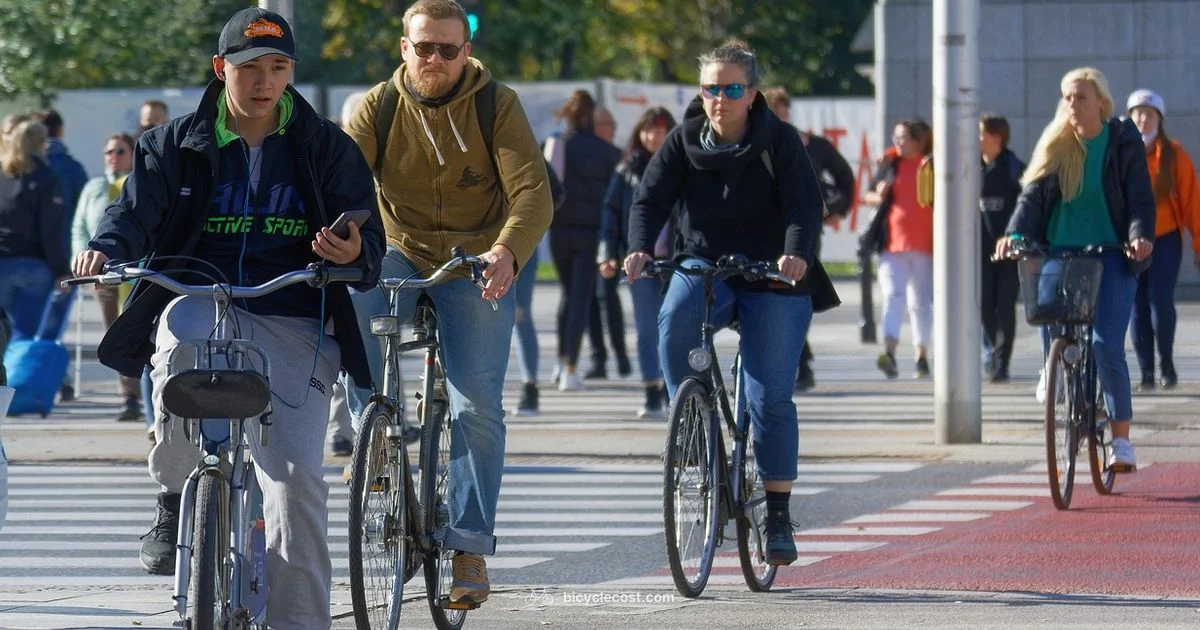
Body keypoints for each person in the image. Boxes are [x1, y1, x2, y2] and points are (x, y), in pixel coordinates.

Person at [71, 8, 385, 627]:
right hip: (196, 299)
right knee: (178, 345)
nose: (264, 82)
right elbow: (134, 215)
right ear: (222, 70)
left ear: (290, 71)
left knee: (297, 488)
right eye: (248, 68)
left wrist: (354, 254)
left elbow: (364, 236)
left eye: (278, 67)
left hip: (293, 312)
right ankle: (175, 488)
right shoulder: (173, 142)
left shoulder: (324, 145)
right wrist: (107, 250)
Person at [341, 0, 552, 606]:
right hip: (400, 247)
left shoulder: (495, 103)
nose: (434, 59)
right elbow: (344, 179)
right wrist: (344, 232)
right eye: (423, 47)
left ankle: (467, 547)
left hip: (475, 256)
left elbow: (532, 190)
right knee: (352, 302)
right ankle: (373, 434)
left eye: (447, 49)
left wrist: (509, 251)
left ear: (466, 52)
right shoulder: (378, 106)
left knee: (476, 404)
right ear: (403, 49)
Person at [624, 38, 835, 566]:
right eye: (711, 88)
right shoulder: (683, 140)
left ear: (752, 93)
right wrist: (639, 248)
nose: (719, 98)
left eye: (731, 88)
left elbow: (805, 205)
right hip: (707, 264)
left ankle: (779, 513)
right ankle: (693, 427)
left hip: (773, 274)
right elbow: (650, 199)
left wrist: (795, 255)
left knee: (769, 400)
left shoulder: (778, 140)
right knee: (672, 317)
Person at [995, 67, 1154, 473]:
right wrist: (1014, 235)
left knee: (1106, 346)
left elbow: (1139, 196)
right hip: (1063, 253)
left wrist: (1139, 236)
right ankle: (1055, 368)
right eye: (1067, 96)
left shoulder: (1121, 142)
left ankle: (1121, 442)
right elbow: (1031, 198)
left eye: (1080, 97)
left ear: (1101, 102)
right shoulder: (1056, 142)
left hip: (1113, 254)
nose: (1072, 104)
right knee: (1046, 308)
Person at [763, 86, 855, 390]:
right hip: (764, 230)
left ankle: (801, 363)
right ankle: (795, 360)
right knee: (768, 298)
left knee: (794, 291)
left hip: (804, 228)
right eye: (773, 109)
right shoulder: (755, 143)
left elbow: (845, 178)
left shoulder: (811, 145)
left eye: (783, 109)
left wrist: (835, 209)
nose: (780, 115)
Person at [599, 106, 677, 417]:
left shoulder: (683, 165)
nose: (654, 137)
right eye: (648, 130)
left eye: (660, 131)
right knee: (646, 329)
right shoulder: (627, 170)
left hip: (676, 262)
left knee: (674, 327)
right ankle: (650, 389)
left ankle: (677, 389)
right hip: (640, 263)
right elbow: (611, 215)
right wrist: (607, 254)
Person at [1124, 89, 1200, 391]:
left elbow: (1192, 200)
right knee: (1136, 305)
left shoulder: (1173, 154)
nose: (1143, 119)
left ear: (1160, 119)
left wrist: (1198, 242)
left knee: (1160, 301)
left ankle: (1166, 364)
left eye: (1149, 113)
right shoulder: (1122, 152)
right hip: (1130, 240)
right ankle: (1146, 372)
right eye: (1137, 113)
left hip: (1165, 238)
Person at [547, 90, 621, 391]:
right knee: (579, 298)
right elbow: (613, 201)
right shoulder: (608, 153)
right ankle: (570, 367)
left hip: (560, 230)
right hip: (591, 233)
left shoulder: (559, 146)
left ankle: (561, 357)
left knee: (567, 297)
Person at [71, 132, 141, 421]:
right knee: (113, 334)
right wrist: (81, 258)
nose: (114, 156)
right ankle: (127, 395)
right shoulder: (94, 187)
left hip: (136, 274)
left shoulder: (139, 184)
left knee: (137, 333)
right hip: (103, 275)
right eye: (108, 151)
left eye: (120, 150)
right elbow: (80, 227)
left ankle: (142, 396)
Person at [862, 118, 934, 379]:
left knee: (920, 303)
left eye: (902, 138)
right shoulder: (891, 164)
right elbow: (868, 195)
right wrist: (879, 194)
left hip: (925, 245)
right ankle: (889, 351)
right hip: (892, 244)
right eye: (895, 138)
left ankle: (921, 356)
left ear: (918, 141)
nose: (896, 143)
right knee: (893, 296)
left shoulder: (931, 164)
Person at [34, 110, 89, 401]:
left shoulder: (18, 167)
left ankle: (32, 381)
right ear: (61, 131)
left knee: (26, 328)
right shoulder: (72, 168)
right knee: (54, 327)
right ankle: (58, 379)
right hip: (64, 257)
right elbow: (82, 216)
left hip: (26, 255)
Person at [0, 121, 68, 341]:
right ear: (40, 144)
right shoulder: (47, 178)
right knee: (24, 334)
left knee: (3, 333)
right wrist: (61, 270)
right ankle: (19, 375)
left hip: (2, 262)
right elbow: (51, 231)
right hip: (34, 264)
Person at [511, 159, 565, 415]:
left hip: (519, 244)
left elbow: (557, 193)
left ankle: (529, 385)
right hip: (477, 244)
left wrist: (532, 227)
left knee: (519, 315)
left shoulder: (526, 150)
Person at [978, 114, 1026, 382]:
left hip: (1008, 252)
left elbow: (1026, 205)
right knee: (984, 305)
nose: (976, 139)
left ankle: (1000, 364)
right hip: (981, 252)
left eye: (981, 133)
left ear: (996, 138)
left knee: (1005, 306)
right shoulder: (971, 168)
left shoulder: (1015, 168)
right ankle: (992, 354)